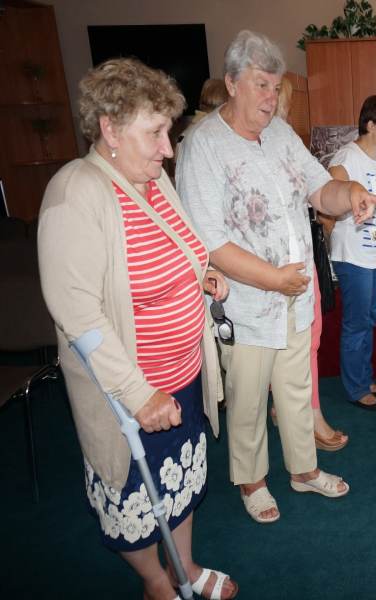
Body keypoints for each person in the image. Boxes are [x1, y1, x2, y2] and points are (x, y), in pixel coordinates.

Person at [37, 58, 238, 599]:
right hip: (129, 393)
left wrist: (207, 275)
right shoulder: (74, 194)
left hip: (181, 377)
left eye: (167, 133)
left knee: (181, 481)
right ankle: (156, 581)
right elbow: (77, 311)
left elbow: (186, 249)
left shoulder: (151, 181)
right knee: (132, 496)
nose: (167, 149)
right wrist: (138, 393)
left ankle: (186, 567)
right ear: (109, 128)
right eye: (154, 133)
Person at [177, 30, 376, 523]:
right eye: (261, 86)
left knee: (296, 391)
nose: (271, 99)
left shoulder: (280, 135)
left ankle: (304, 470)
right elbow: (209, 242)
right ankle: (252, 482)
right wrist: (274, 280)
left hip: (296, 292)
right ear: (231, 84)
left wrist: (351, 192)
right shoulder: (202, 146)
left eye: (275, 87)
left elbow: (320, 191)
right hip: (249, 303)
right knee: (248, 399)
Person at [273, 74, 348, 451]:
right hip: (282, 270)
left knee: (308, 341)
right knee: (304, 344)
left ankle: (297, 411)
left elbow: (322, 191)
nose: (283, 115)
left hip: (301, 259)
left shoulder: (286, 145)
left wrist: (344, 188)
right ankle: (311, 418)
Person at [328, 95, 376, 410]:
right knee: (356, 323)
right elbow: (331, 192)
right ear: (370, 125)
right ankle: (356, 388)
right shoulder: (347, 156)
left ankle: (364, 375)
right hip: (354, 256)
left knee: (368, 321)